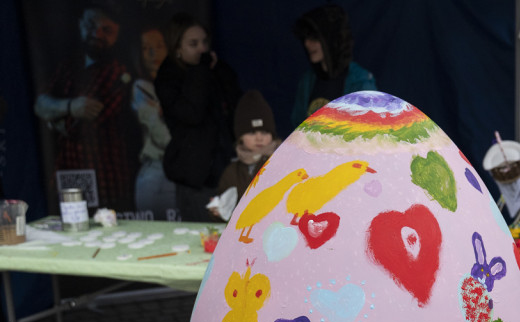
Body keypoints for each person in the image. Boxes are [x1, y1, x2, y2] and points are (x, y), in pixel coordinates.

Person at [33, 2, 137, 212]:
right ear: (79, 24)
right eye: (91, 25)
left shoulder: (118, 73)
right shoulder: (67, 66)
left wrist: (54, 117)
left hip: (107, 181)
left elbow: (77, 126)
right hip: (68, 175)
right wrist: (71, 106)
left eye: (106, 30)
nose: (97, 34)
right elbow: (39, 105)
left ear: (117, 34)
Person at [155, 13, 240, 222]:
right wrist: (200, 72)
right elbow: (191, 114)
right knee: (201, 237)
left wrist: (218, 72)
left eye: (204, 42)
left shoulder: (216, 70)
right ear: (177, 49)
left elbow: (237, 106)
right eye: (193, 44)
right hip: (195, 177)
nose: (202, 49)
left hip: (226, 169)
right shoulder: (168, 78)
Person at [291, 5, 376, 128]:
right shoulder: (308, 80)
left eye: (314, 38)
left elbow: (369, 132)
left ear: (330, 40)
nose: (307, 44)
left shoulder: (361, 82)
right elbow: (297, 128)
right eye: (305, 38)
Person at [213, 90, 280, 220]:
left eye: (265, 132)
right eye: (252, 133)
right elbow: (225, 209)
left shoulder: (283, 165)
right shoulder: (232, 172)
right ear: (240, 138)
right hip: (241, 235)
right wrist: (217, 211)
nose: (259, 138)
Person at [131, 26, 176, 221]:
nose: (152, 53)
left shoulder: (178, 86)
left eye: (159, 46)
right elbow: (160, 134)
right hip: (155, 169)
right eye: (145, 48)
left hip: (177, 171)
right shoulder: (141, 87)